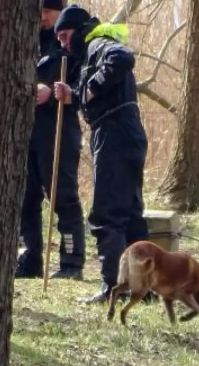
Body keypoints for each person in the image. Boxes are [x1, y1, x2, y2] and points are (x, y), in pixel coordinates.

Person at [53, 5, 149, 303]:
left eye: (65, 36)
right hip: (125, 133)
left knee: (107, 213)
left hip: (114, 134)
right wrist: (75, 95)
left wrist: (91, 86)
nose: (63, 44)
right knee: (130, 214)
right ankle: (140, 288)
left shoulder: (99, 43)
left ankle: (113, 287)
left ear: (78, 30)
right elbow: (101, 92)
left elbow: (123, 58)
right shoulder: (93, 50)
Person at [15, 0, 86, 280]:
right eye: (40, 12)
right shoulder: (26, 39)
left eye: (48, 12)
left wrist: (59, 94)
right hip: (26, 131)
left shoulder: (73, 45)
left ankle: (71, 261)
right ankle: (29, 258)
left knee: (62, 195)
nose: (43, 18)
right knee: (25, 196)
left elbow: (84, 88)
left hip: (59, 130)